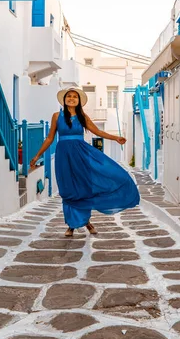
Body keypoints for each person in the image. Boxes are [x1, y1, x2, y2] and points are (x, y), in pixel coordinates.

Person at [30, 87, 140, 237]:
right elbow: (50, 138)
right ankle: (71, 225)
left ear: (79, 101)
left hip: (81, 154)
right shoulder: (57, 116)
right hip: (64, 156)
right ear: (64, 99)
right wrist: (37, 155)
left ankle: (86, 221)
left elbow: (98, 132)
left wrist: (115, 138)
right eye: (69, 96)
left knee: (83, 187)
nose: (72, 98)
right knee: (67, 189)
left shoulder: (82, 116)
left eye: (75, 97)